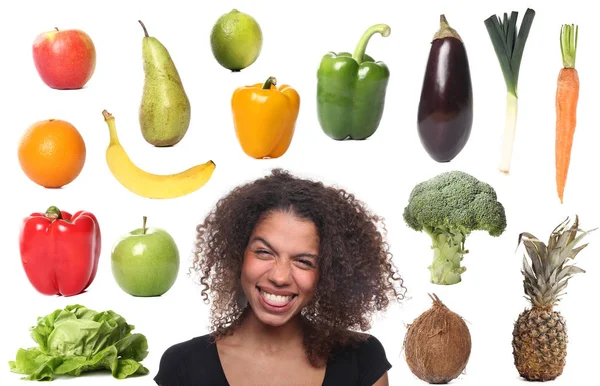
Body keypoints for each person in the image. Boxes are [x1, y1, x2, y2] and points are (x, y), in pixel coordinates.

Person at [154, 169, 406, 386]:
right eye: (264, 252)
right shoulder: (183, 365)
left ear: (328, 273)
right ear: (238, 254)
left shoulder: (361, 358)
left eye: (304, 261)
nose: (280, 276)